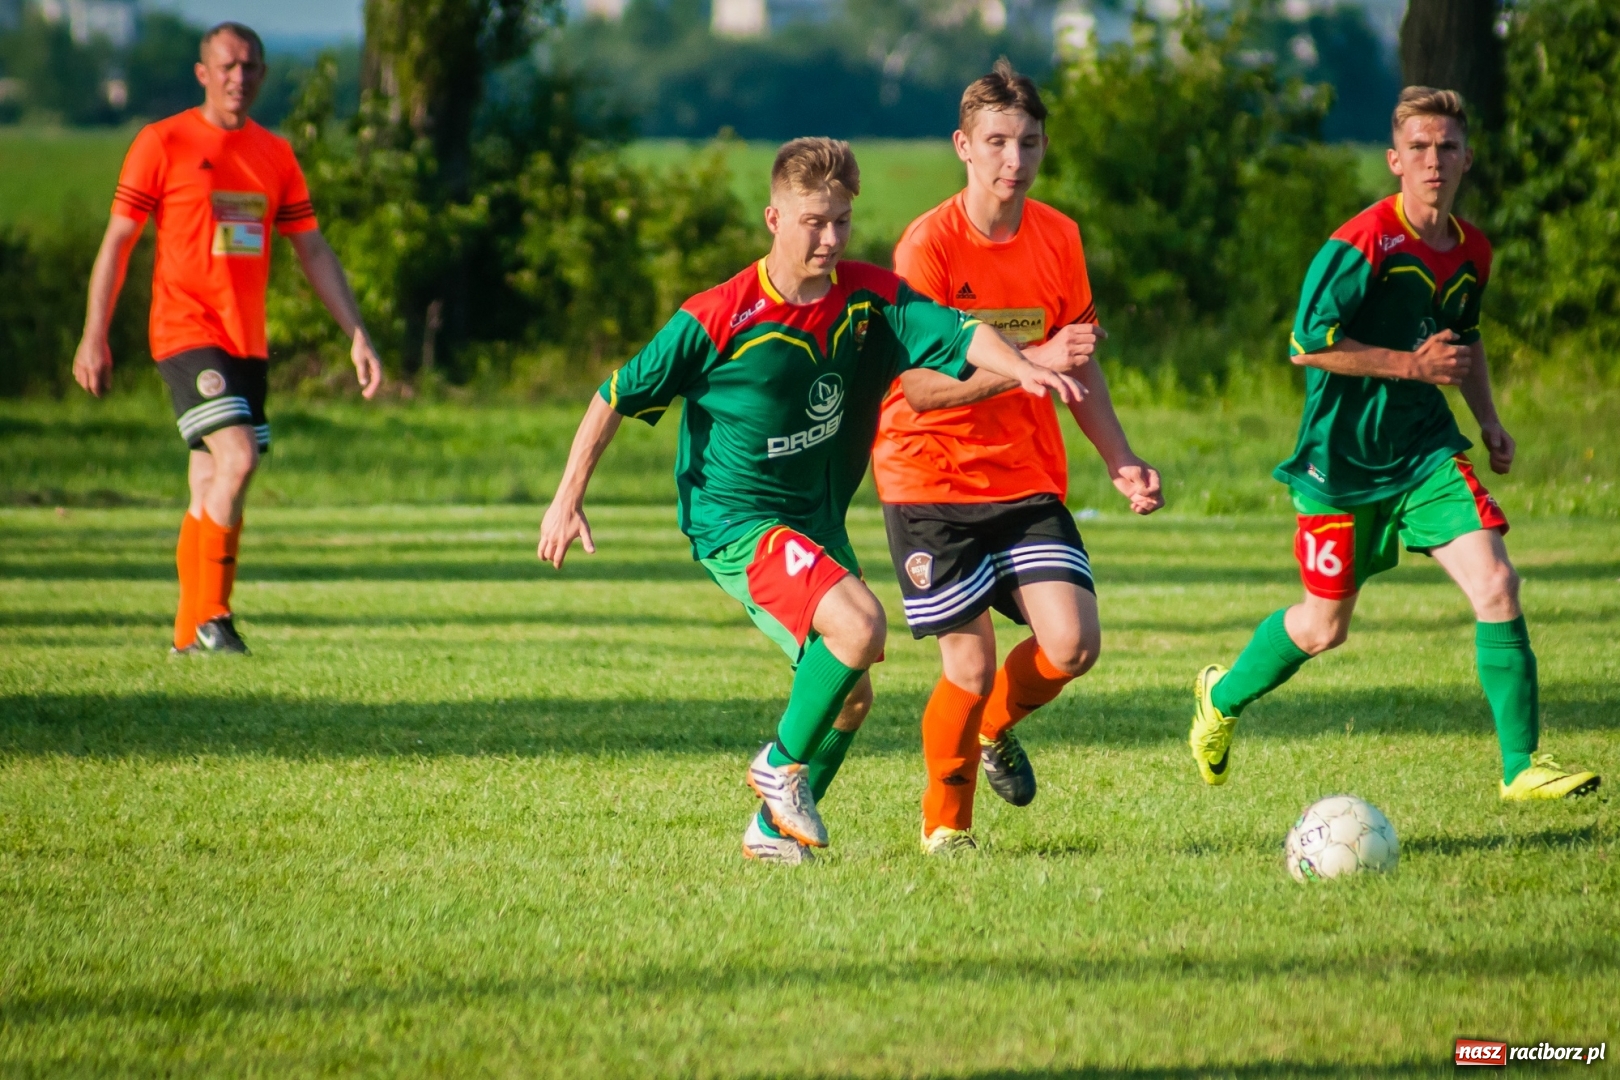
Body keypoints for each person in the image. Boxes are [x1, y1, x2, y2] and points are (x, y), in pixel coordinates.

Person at [537, 138, 1082, 864]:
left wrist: (1024, 367)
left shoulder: (869, 300)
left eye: (841, 222)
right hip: (737, 519)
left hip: (816, 521)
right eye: (812, 222)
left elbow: (959, 332)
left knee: (850, 696)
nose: (828, 239)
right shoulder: (718, 316)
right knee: (859, 625)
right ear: (774, 218)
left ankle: (771, 831)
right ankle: (779, 770)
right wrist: (566, 497)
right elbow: (615, 394)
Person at [1188, 87, 1599, 802]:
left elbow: (1463, 342)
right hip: (1339, 463)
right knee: (1322, 628)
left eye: (1446, 148)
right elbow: (1304, 346)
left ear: (1467, 158)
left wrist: (1490, 420)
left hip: (1426, 452)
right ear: (1394, 161)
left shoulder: (1473, 250)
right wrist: (1411, 366)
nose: (1433, 161)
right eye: (1419, 148)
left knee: (1498, 584)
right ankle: (1220, 700)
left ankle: (1522, 767)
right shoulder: (1362, 243)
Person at [872, 61, 1163, 855]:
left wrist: (1120, 458)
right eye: (996, 141)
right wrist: (1028, 358)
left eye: (1028, 142)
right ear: (963, 146)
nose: (1014, 158)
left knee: (1072, 646)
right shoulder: (927, 246)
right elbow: (923, 390)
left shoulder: (1058, 237)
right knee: (967, 665)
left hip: (1024, 477)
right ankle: (946, 828)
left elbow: (1082, 362)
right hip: (929, 480)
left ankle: (997, 729)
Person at [72, 21, 382, 656]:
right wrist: (92, 335)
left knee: (211, 479)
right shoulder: (163, 142)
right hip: (185, 330)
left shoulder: (275, 154)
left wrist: (357, 333)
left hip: (247, 342)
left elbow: (313, 249)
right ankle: (214, 616)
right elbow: (117, 243)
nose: (240, 77)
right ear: (203, 73)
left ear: (264, 75)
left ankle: (188, 635)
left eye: (251, 67)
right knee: (237, 459)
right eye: (228, 66)